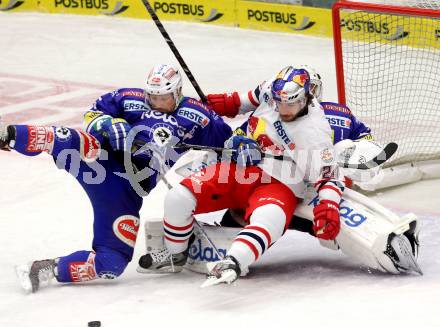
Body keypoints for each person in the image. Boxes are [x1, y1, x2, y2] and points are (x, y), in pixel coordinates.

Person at [0, 63, 232, 293]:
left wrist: (223, 153)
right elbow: (93, 114)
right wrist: (107, 123)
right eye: (153, 97)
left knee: (112, 263)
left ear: (178, 92)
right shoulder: (127, 98)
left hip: (126, 190)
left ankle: (46, 269)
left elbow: (228, 144)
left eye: (164, 98)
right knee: (71, 140)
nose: (158, 103)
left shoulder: (199, 115)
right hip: (100, 160)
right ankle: (7, 134)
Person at [138, 67, 346, 286]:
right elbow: (249, 99)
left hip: (280, 182)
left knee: (270, 219)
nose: (283, 109)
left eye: (291, 104)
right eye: (279, 103)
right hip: (237, 168)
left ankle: (233, 261)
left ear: (305, 98)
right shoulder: (270, 89)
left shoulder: (314, 132)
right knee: (178, 197)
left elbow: (329, 176)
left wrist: (330, 205)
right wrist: (229, 103)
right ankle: (174, 254)